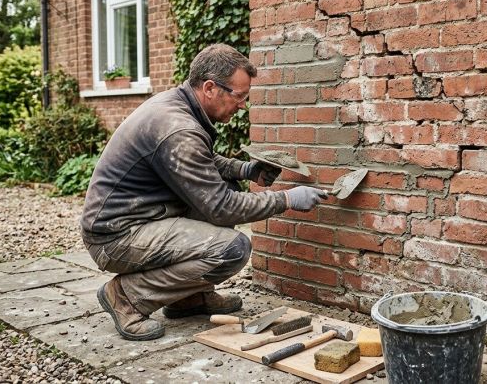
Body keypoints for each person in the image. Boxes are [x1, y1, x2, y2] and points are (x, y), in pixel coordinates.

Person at [81, 44, 329, 341]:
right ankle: (126, 296)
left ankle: (188, 297)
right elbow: (222, 207)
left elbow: (201, 161)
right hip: (116, 236)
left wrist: (244, 170)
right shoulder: (179, 128)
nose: (242, 105)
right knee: (232, 249)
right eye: (240, 96)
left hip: (142, 219)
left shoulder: (178, 106)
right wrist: (287, 199)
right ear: (210, 87)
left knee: (226, 188)